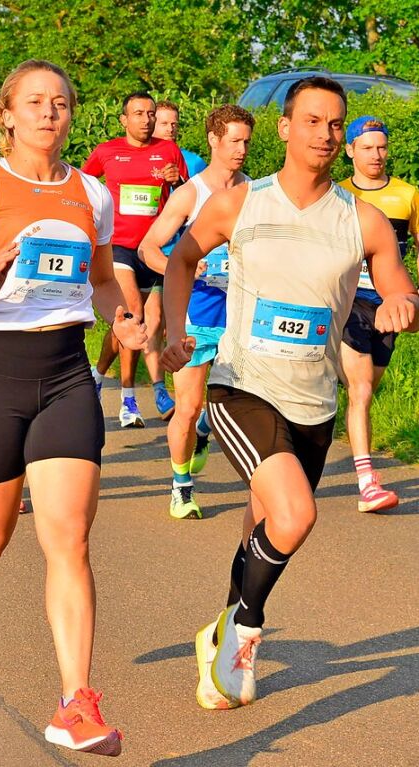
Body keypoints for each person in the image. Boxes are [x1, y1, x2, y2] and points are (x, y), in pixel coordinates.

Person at [161, 77, 419, 711]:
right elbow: (180, 260)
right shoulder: (240, 203)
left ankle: (219, 633)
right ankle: (245, 634)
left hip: (315, 401)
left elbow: (399, 286)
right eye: (311, 121)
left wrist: (401, 306)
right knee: (297, 514)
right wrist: (173, 331)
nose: (325, 134)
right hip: (241, 385)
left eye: (335, 124)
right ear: (283, 127)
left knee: (265, 523)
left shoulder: (363, 220)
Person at [0, 59, 147, 756]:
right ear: (6, 113)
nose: (50, 112)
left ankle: (74, 701)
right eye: (35, 102)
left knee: (69, 538)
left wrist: (126, 321)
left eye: (61, 103)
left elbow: (104, 282)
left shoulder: (91, 194)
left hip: (67, 375)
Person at [140, 105, 254, 520]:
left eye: (246, 141)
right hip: (196, 313)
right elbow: (148, 248)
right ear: (213, 140)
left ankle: (205, 433)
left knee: (237, 402)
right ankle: (181, 488)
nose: (241, 149)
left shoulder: (254, 192)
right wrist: (185, 265)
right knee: (187, 406)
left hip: (243, 316)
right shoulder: (190, 193)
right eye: (234, 141)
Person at [83, 92, 186, 426]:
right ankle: (129, 401)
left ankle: (97, 377)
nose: (146, 119)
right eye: (138, 113)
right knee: (134, 314)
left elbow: (187, 194)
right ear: (124, 120)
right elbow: (82, 184)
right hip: (120, 247)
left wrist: (177, 180)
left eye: (151, 113)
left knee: (144, 325)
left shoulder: (168, 150)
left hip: (154, 249)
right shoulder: (107, 151)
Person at [337, 116, 419, 513]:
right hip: (346, 302)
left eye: (382, 147)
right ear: (350, 150)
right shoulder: (337, 194)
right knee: (362, 388)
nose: (376, 155)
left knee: (369, 386)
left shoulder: (408, 194)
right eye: (367, 147)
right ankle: (367, 482)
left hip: (388, 305)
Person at [154, 101, 207, 179]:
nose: (170, 129)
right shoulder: (139, 158)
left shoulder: (194, 162)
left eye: (174, 124)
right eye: (164, 124)